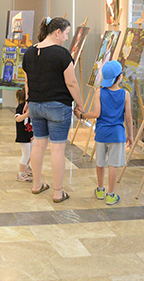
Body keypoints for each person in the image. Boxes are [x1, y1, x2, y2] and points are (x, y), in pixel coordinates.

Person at [22, 17, 84, 203]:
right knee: (57, 149)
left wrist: (28, 100)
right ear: (58, 32)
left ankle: (37, 184)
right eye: (66, 33)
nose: (66, 38)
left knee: (38, 144)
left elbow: (27, 82)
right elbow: (71, 82)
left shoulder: (29, 52)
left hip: (35, 105)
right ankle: (58, 192)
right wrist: (80, 104)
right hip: (58, 106)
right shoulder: (62, 54)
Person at [81, 61, 133, 205]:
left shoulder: (99, 92)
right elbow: (128, 118)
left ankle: (100, 190)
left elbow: (96, 113)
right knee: (113, 165)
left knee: (100, 163)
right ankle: (111, 195)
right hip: (117, 134)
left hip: (101, 133)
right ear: (119, 77)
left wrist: (82, 115)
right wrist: (130, 135)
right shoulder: (125, 94)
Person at [15, 87, 33, 182]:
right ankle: (21, 174)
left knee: (31, 153)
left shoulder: (32, 106)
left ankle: (26, 167)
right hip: (23, 135)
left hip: (30, 134)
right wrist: (26, 114)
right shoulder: (21, 107)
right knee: (26, 154)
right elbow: (18, 119)